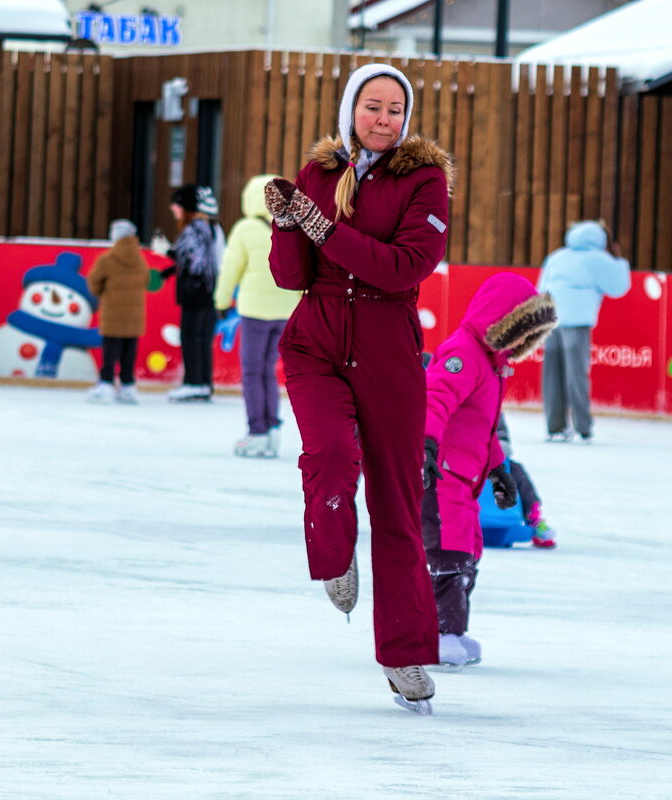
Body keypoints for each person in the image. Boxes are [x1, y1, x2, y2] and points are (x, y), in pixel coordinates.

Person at [265, 63, 453, 713]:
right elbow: (291, 276)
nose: (383, 118)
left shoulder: (423, 179)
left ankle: (404, 656)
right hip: (315, 340)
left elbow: (406, 267)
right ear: (351, 110)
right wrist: (289, 226)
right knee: (332, 459)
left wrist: (325, 230)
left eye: (395, 110)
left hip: (387, 348)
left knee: (399, 506)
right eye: (372, 106)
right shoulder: (320, 173)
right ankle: (334, 552)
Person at [421, 273, 557, 669]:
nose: (523, 344)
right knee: (449, 552)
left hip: (463, 479)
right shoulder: (463, 353)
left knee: (467, 551)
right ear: (504, 321)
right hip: (439, 475)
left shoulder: (492, 364)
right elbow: (435, 399)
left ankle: (451, 631)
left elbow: (481, 430)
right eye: (521, 331)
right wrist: (426, 445)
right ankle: (439, 634)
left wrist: (500, 471)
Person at [213, 173, 300, 458]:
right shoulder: (294, 225)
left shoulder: (245, 228)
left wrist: (222, 299)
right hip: (286, 311)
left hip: (254, 313)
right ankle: (272, 429)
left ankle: (257, 432)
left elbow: (231, 268)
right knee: (268, 372)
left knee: (253, 373)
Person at [537, 219, 631, 442]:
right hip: (576, 322)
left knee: (552, 374)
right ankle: (583, 426)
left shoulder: (558, 256)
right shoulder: (598, 259)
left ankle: (555, 426)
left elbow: (541, 287)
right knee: (576, 375)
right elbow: (619, 287)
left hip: (549, 319)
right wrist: (619, 260)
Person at [162, 184, 222, 402]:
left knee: (191, 337)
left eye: (177, 204)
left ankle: (193, 383)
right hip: (209, 292)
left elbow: (195, 262)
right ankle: (204, 383)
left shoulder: (193, 229)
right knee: (203, 339)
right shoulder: (213, 227)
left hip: (195, 293)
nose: (173, 208)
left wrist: (169, 252)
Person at [86, 219, 149, 404]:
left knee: (110, 350)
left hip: (113, 312)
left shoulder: (107, 258)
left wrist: (101, 293)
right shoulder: (140, 259)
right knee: (129, 350)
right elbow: (146, 281)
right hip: (134, 316)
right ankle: (128, 385)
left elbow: (93, 282)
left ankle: (106, 383)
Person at [496, 416, 557, 549]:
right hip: (460, 457)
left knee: (516, 470)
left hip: (491, 457)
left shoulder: (489, 401)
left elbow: (501, 431)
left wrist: (500, 443)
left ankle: (533, 516)